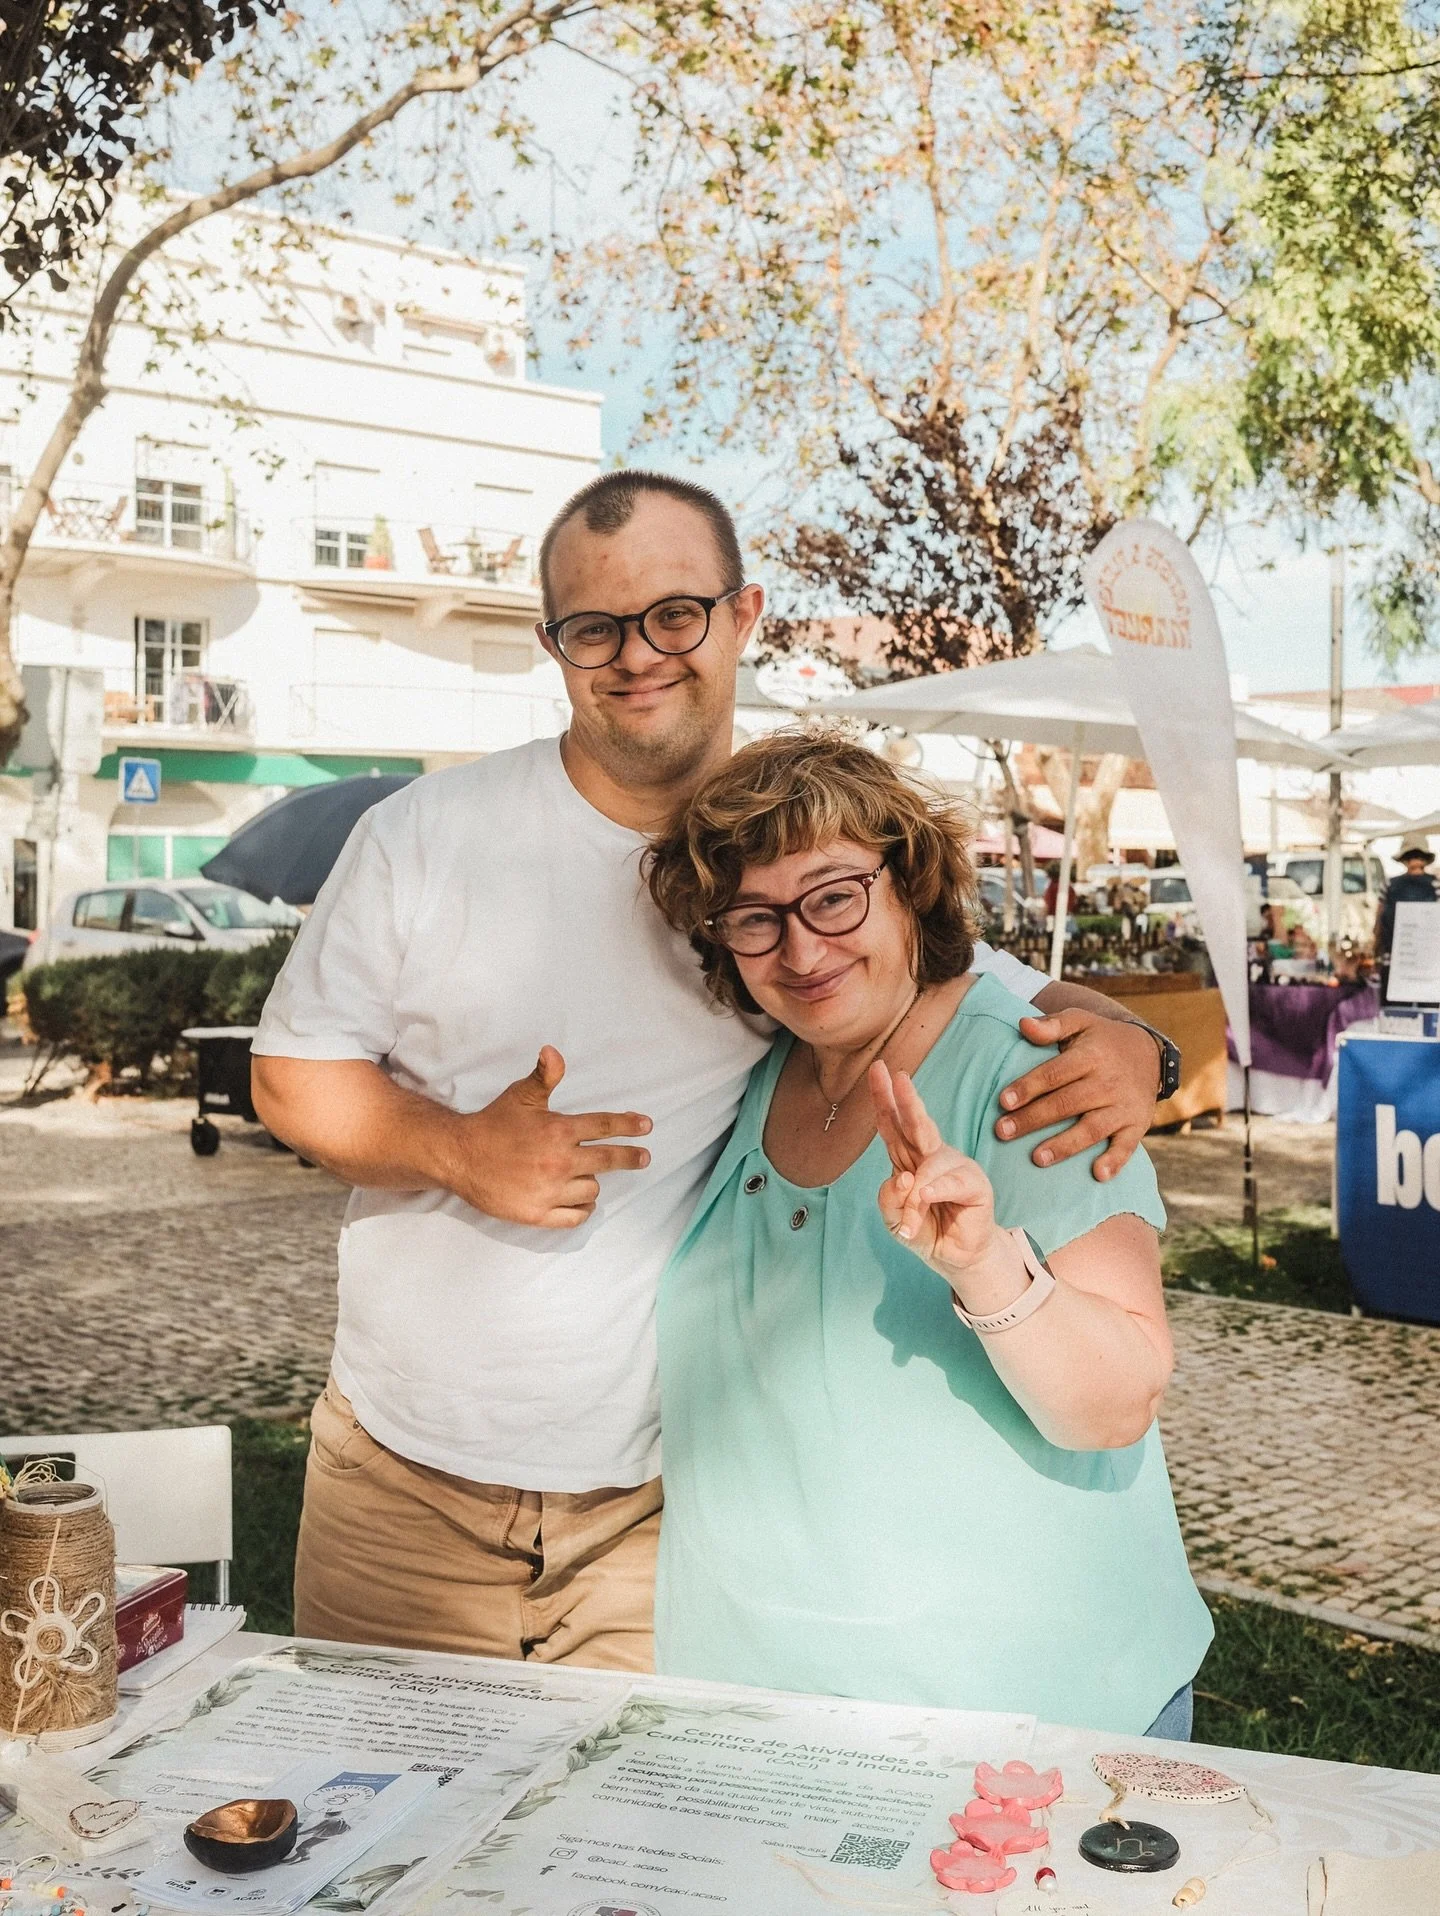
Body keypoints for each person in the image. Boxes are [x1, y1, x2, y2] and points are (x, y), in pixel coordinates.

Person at [250, 470, 1179, 1674]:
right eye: (595, 625)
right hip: (403, 1483)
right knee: (368, 1841)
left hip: (654, 1508)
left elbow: (958, 973)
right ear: (555, 646)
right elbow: (290, 1072)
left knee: (616, 1860)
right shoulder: (428, 836)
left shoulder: (784, 860)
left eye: (676, 612)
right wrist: (456, 1147)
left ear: (743, 617)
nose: (638, 653)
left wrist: (1135, 1042)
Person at [645, 728, 1211, 1734]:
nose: (803, 948)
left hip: (1023, 1721)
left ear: (907, 884)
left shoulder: (1032, 1077)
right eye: (755, 917)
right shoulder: (761, 1076)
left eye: (833, 895)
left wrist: (990, 1266)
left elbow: (1118, 1399)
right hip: (756, 1711)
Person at [1375, 834, 1438, 1000]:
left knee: (1395, 1004)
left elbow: (1378, 920)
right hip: (1421, 961)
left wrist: (1376, 946)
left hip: (1409, 958)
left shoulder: (1390, 884)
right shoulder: (1435, 884)